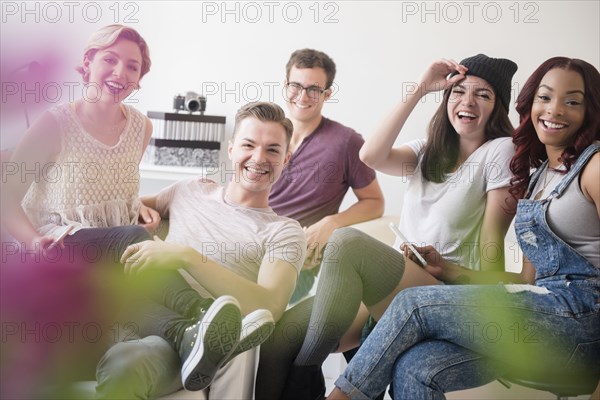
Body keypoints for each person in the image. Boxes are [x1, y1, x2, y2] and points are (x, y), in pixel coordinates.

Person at [327, 57, 600, 400]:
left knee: (412, 304)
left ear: (590, 110)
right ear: (530, 104)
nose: (555, 110)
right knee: (413, 368)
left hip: (583, 327)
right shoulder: (538, 179)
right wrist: (450, 270)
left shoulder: (595, 166)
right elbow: (524, 283)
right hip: (539, 316)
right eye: (545, 98)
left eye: (572, 101)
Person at [259, 54, 519, 400]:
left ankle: (307, 371)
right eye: (458, 92)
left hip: (446, 291)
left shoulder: (500, 151)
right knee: (280, 339)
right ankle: (304, 375)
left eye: (483, 95)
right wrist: (421, 88)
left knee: (347, 242)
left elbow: (490, 257)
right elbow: (371, 156)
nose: (467, 102)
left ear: (498, 107)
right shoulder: (427, 152)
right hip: (397, 284)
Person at [95, 101, 307, 399]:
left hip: (176, 345)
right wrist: (140, 209)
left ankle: (193, 326)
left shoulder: (284, 231)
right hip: (126, 310)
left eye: (272, 150)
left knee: (127, 365)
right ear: (231, 149)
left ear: (286, 159)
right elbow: (121, 215)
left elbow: (269, 306)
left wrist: (187, 256)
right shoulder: (189, 189)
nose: (259, 158)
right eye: (249, 144)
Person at [2, 24, 159, 263]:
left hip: (114, 250)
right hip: (59, 249)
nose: (120, 73)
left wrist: (138, 206)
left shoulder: (141, 127)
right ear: (88, 63)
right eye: (110, 59)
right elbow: (6, 199)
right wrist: (33, 242)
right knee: (142, 246)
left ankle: (203, 303)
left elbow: (110, 191)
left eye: (132, 67)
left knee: (155, 263)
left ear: (139, 78)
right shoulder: (53, 125)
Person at [269, 48, 384, 303]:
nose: (302, 96)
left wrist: (333, 222)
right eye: (295, 86)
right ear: (285, 85)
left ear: (327, 94)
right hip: (245, 244)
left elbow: (375, 202)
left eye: (313, 89)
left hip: (294, 263)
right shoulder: (265, 133)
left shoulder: (347, 142)